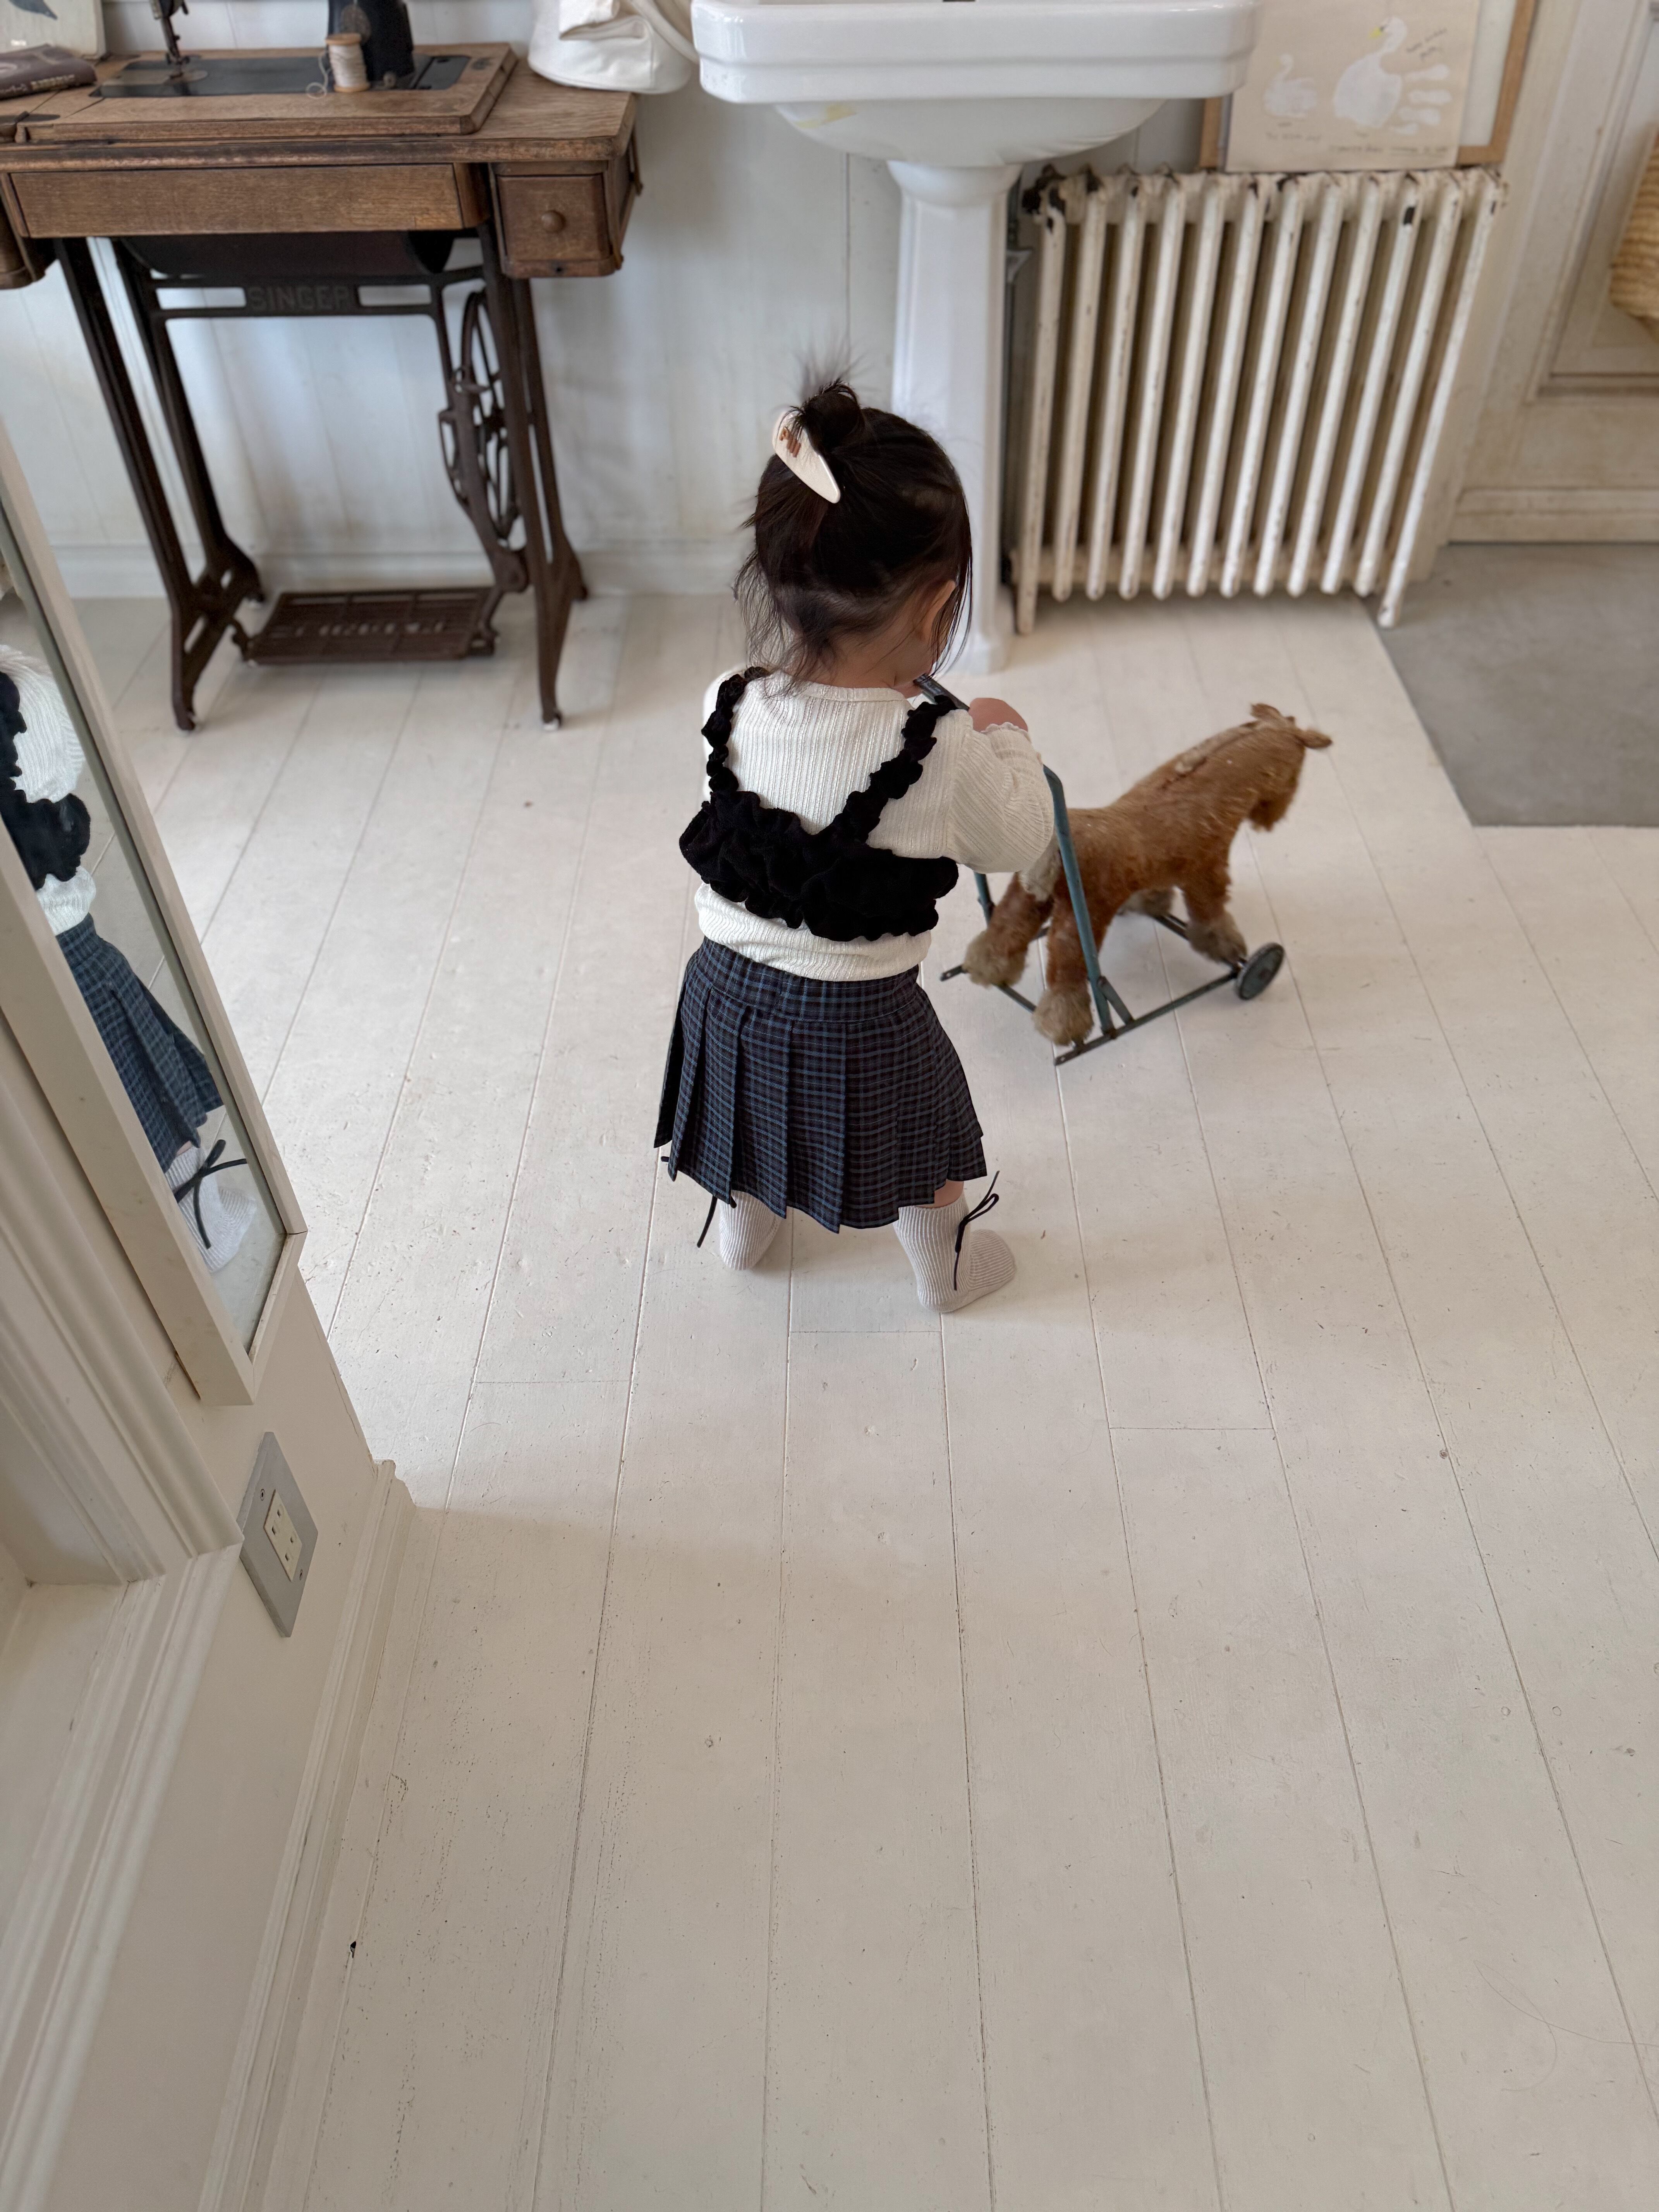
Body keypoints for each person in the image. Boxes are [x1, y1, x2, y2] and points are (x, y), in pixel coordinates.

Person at [655, 380, 1053, 1312]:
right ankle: (944, 1271)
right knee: (924, 1149)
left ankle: (746, 1235)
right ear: (937, 607)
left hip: (721, 994)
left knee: (747, 1117)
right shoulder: (941, 749)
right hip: (861, 1018)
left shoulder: (729, 702)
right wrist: (1008, 735)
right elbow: (1020, 837)